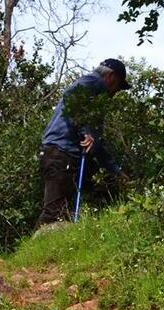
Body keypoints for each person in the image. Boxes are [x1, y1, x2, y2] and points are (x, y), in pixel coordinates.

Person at [37, 58, 131, 228]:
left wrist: (116, 171)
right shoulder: (95, 82)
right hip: (61, 152)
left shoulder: (95, 100)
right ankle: (32, 253)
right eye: (118, 86)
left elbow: (97, 144)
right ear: (111, 77)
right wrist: (86, 131)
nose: (116, 92)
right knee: (54, 214)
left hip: (62, 153)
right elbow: (71, 95)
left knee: (62, 212)